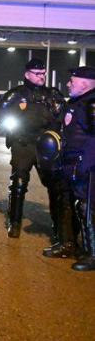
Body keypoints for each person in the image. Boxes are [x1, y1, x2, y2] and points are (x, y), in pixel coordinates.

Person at [0, 58, 65, 239]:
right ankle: (14, 222)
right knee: (18, 183)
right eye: (37, 73)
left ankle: (59, 227)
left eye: (43, 73)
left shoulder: (53, 94)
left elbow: (62, 116)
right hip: (23, 143)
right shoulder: (16, 94)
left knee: (55, 186)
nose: (41, 76)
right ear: (27, 74)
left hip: (47, 146)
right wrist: (17, 111)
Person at [55, 67, 95, 270]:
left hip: (86, 166)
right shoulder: (74, 103)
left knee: (87, 208)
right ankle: (69, 244)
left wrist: (85, 164)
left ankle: (92, 254)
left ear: (86, 84)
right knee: (69, 203)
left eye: (73, 80)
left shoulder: (91, 104)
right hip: (70, 163)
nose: (68, 84)